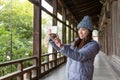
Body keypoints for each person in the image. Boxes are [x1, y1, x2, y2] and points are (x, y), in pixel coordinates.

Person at [49, 16, 102, 80]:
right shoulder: (76, 42)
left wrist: (61, 46)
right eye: (79, 29)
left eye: (83, 29)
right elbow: (63, 48)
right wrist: (53, 40)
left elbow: (80, 56)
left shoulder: (93, 45)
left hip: (82, 77)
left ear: (89, 31)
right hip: (71, 76)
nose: (80, 31)